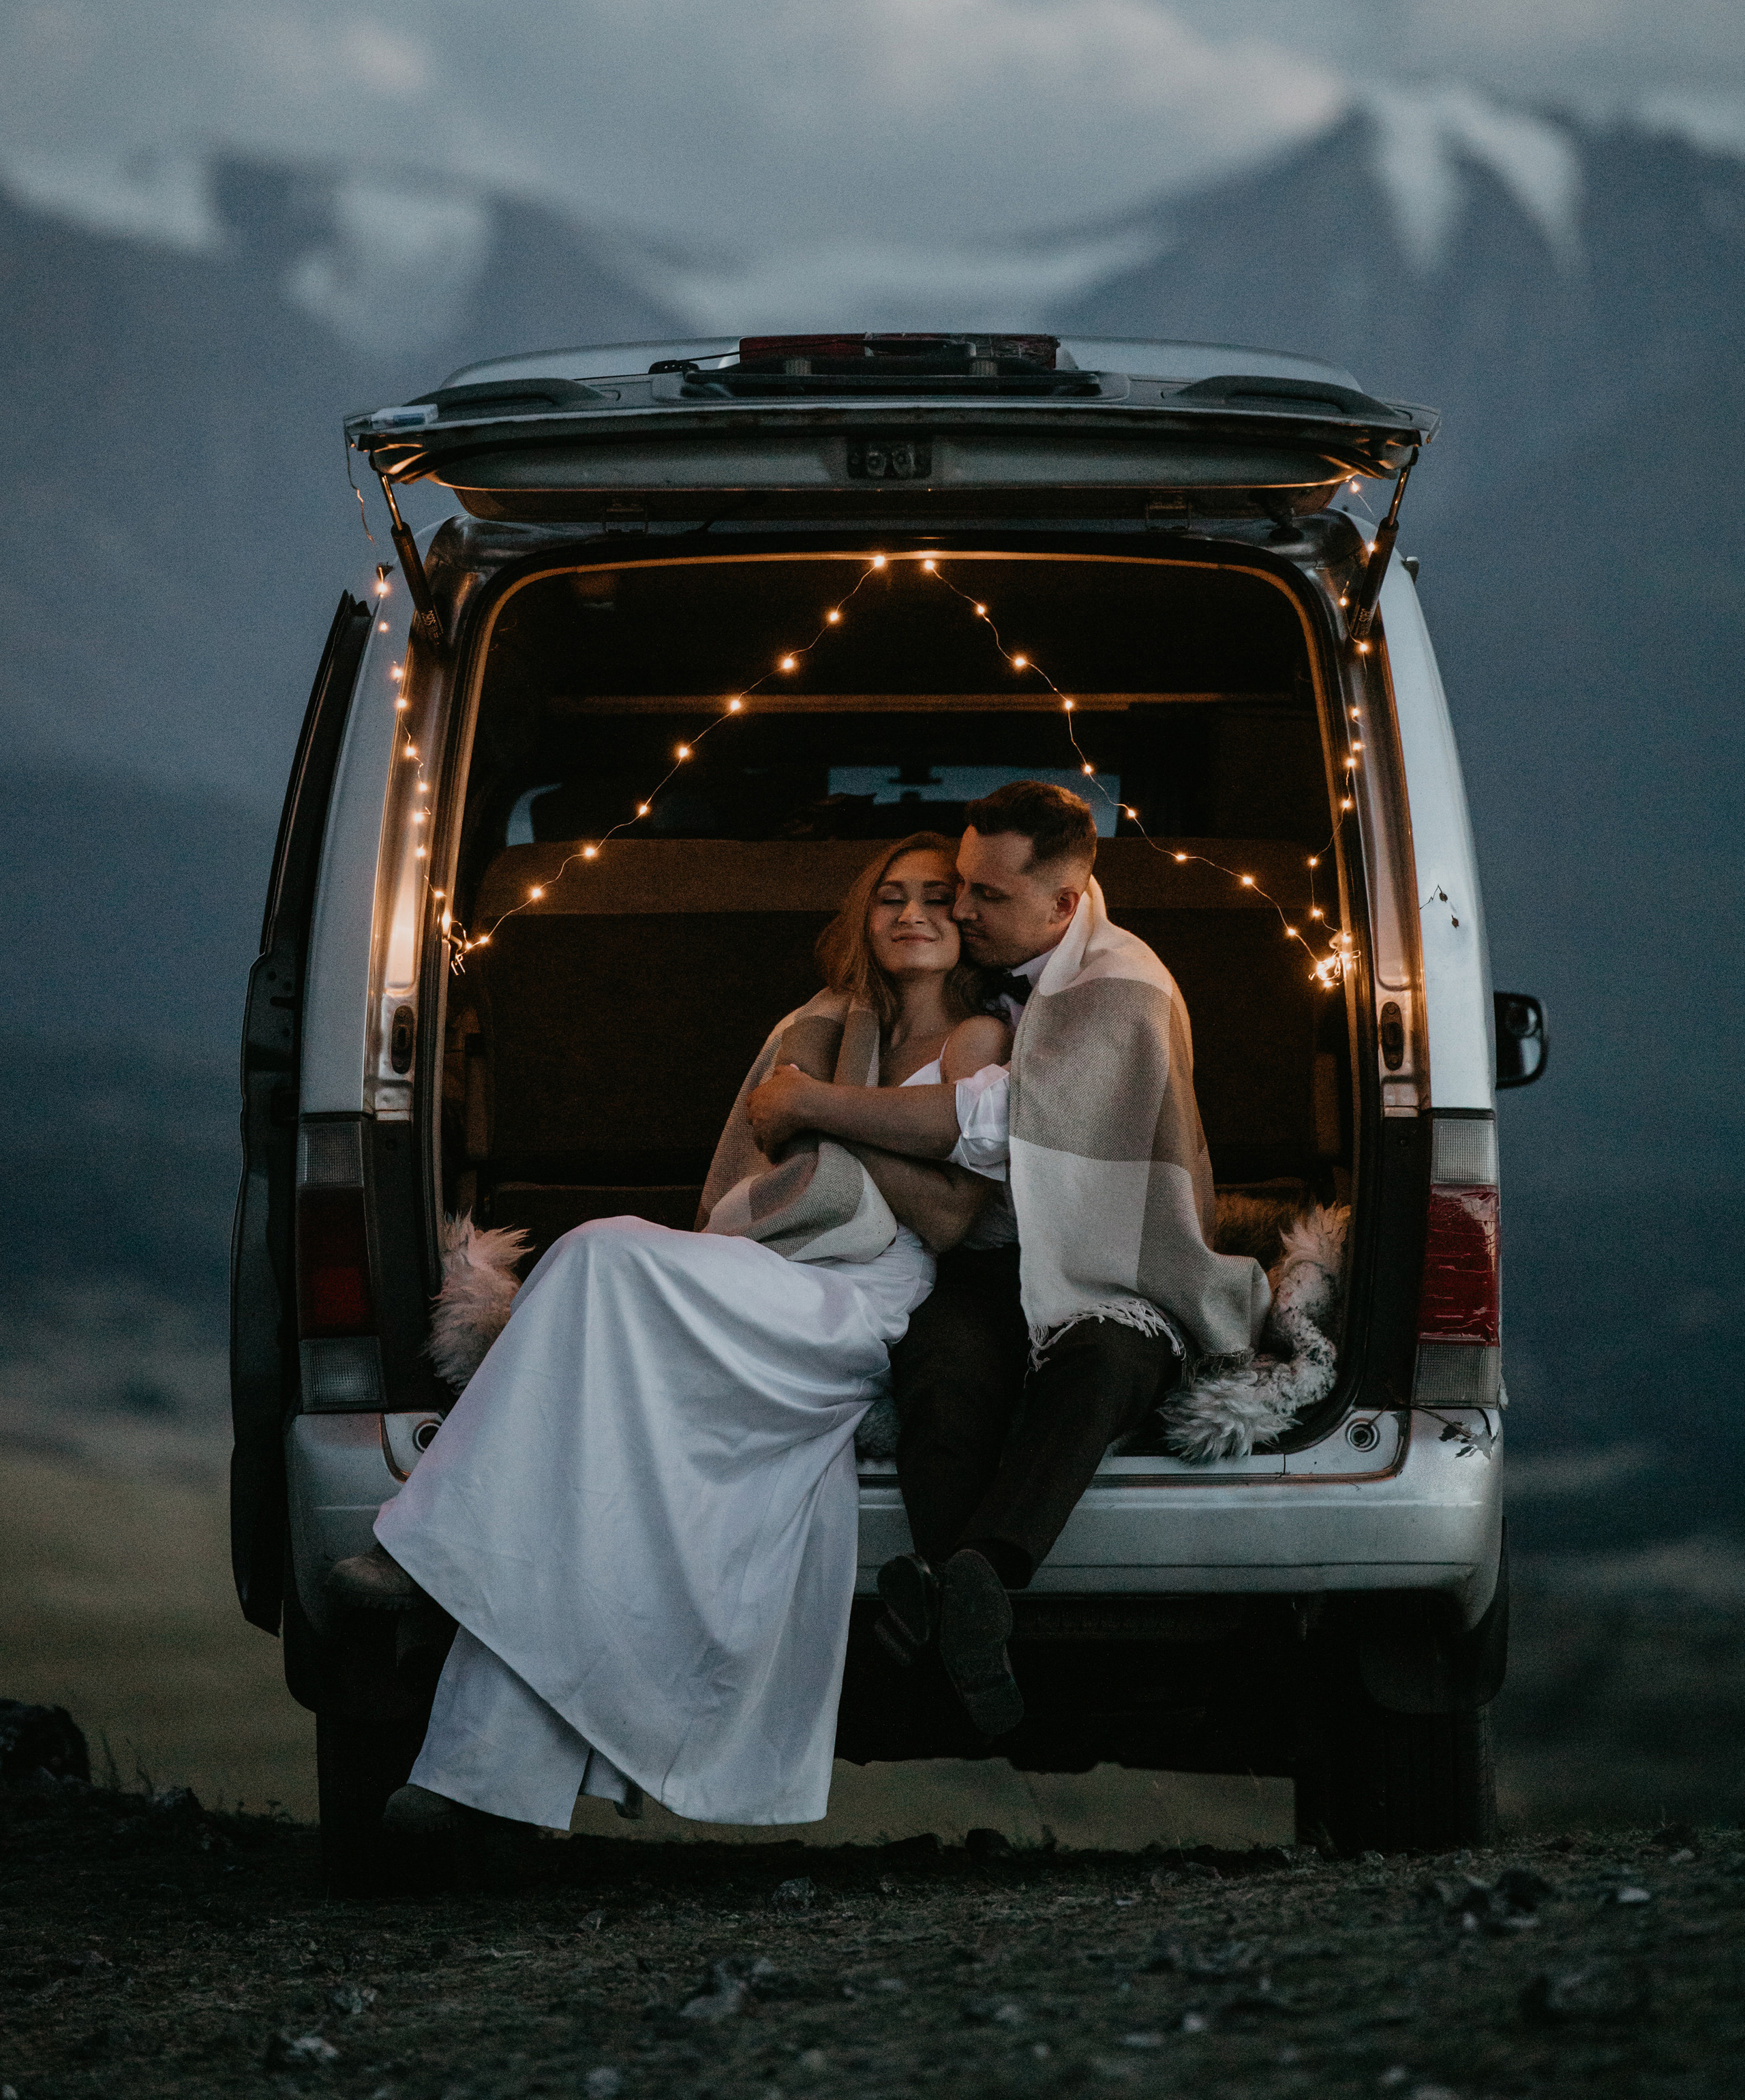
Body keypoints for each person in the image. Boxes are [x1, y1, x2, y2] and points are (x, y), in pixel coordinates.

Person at [330, 830, 1006, 1841]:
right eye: (890, 898)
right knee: (597, 1387)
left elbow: (949, 1217)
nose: (912, 914)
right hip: (774, 1261)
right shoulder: (822, 1025)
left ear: (971, 919)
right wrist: (844, 1131)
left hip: (859, 1299)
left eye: (937, 899)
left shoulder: (980, 1041)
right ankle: (479, 1786)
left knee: (601, 1251)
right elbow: (751, 1187)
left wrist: (828, 1120)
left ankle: (436, 1558)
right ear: (864, 921)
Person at [746, 781, 1271, 1739]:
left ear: (1064, 904)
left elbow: (989, 1130)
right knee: (941, 1373)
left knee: (1102, 1367)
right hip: (991, 1263)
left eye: (985, 895)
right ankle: (970, 1617)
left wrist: (813, 1106)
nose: (959, 908)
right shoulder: (972, 984)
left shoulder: (1122, 983)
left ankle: (979, 1570)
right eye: (958, 886)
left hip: (1118, 1259)